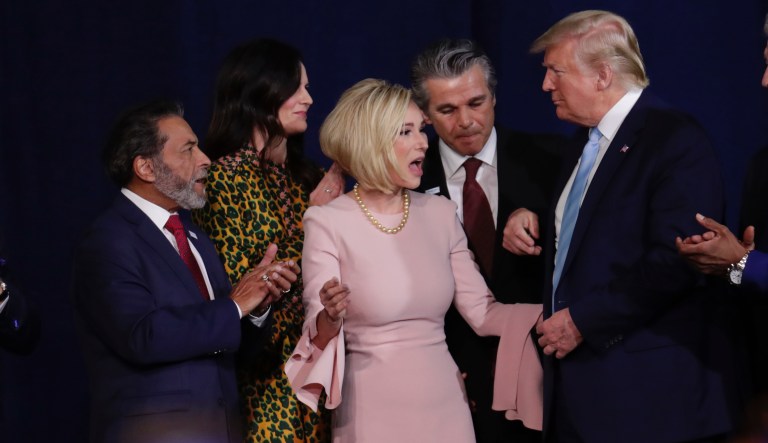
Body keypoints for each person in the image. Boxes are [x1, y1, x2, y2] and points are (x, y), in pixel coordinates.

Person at [515, 10, 741, 442]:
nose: (545, 85)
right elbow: (586, 244)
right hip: (579, 390)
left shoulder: (675, 140)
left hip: (647, 399)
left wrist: (583, 320)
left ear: (602, 75)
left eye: (555, 72)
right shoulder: (582, 142)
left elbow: (680, 260)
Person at [284, 78, 544, 442]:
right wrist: (329, 316)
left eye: (420, 130)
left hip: (447, 409)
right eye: (405, 132)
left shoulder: (440, 213)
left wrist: (553, 314)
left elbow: (483, 314)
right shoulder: (327, 221)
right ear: (370, 142)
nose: (423, 141)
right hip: (371, 413)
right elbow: (317, 330)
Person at [72, 100, 299, 443]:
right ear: (146, 168)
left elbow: (227, 343)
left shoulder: (195, 237)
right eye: (189, 150)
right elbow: (142, 336)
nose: (205, 159)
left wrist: (258, 305)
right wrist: (236, 304)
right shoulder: (108, 240)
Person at [191, 38, 342, 442]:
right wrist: (316, 220)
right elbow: (242, 293)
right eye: (296, 87)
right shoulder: (223, 178)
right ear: (262, 90)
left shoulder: (300, 176)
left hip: (318, 379)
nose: (308, 98)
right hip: (264, 388)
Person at [410, 38, 560, 443]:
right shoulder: (403, 183)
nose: (465, 121)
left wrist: (542, 223)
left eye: (476, 103)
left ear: (493, 97)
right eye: (447, 109)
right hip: (445, 385)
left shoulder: (553, 161)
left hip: (543, 378)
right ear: (424, 114)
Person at [677, 12, 768, 402]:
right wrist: (726, 263)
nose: (765, 80)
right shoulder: (762, 165)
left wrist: (743, 264)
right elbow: (745, 280)